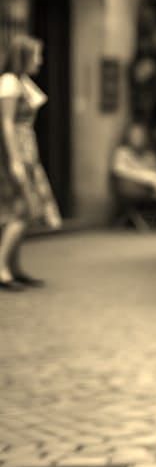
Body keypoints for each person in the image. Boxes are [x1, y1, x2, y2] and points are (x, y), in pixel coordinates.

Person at [0, 34, 61, 291]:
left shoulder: (20, 82)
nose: (40, 60)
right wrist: (14, 159)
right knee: (23, 209)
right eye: (36, 54)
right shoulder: (10, 83)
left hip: (26, 149)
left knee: (20, 209)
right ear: (23, 56)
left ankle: (13, 268)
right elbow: (6, 123)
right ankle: (2, 268)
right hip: (16, 152)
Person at [111, 122, 156, 221]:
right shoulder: (122, 153)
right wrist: (150, 177)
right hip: (136, 187)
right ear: (128, 137)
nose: (137, 139)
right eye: (134, 135)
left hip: (155, 187)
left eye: (140, 135)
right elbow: (120, 171)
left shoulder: (149, 155)